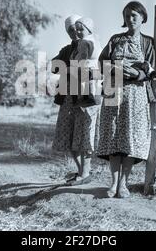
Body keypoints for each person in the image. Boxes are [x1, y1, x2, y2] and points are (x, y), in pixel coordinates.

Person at [96, 1, 156, 198]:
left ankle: (124, 184)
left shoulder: (148, 42)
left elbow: (152, 70)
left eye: (134, 16)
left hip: (136, 94)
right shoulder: (115, 39)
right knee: (113, 137)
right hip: (113, 90)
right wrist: (115, 69)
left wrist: (137, 73)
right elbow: (102, 62)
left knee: (130, 138)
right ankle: (113, 184)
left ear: (143, 18)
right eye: (127, 16)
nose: (130, 20)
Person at [52, 15, 100, 185]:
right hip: (68, 96)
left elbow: (97, 69)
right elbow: (53, 66)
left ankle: (85, 172)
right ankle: (81, 171)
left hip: (85, 95)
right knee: (68, 133)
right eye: (71, 30)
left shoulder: (90, 45)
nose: (75, 32)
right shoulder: (68, 49)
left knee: (84, 132)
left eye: (78, 29)